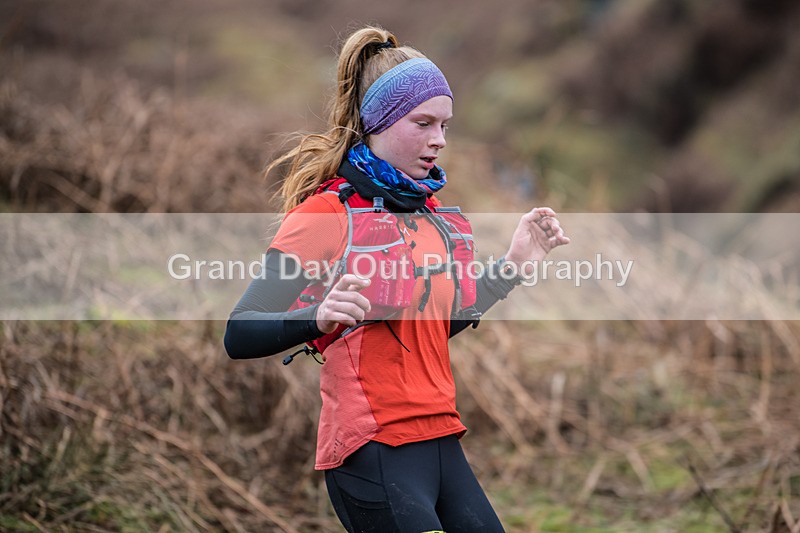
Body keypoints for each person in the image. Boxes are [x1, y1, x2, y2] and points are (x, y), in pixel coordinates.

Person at [224, 25, 569, 533]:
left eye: (445, 125)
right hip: (372, 449)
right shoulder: (325, 214)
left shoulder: (429, 214)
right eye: (422, 122)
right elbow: (239, 331)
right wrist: (318, 317)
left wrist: (513, 266)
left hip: (441, 438)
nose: (439, 139)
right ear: (378, 122)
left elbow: (433, 326)